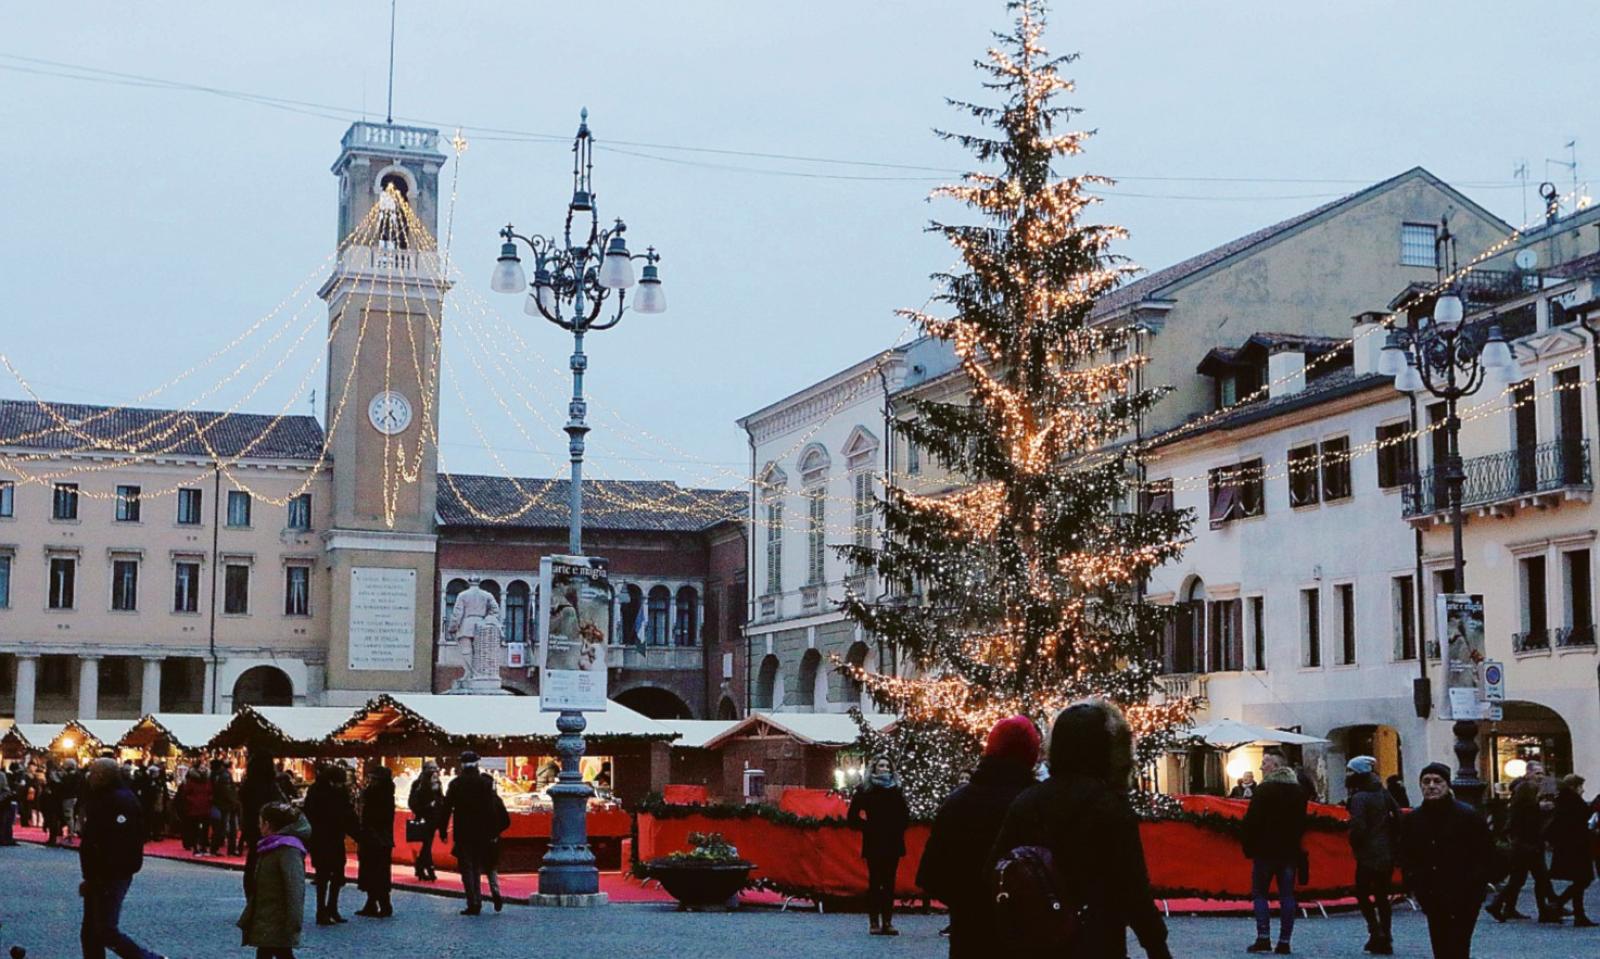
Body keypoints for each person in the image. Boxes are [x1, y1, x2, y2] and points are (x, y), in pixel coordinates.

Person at [988, 699, 1170, 959]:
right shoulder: (1110, 806)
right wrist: (1156, 946)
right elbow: (1133, 888)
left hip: (1036, 942)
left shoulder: (1027, 801)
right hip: (1096, 940)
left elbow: (994, 869)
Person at [917, 715, 1041, 958]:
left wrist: (967, 901)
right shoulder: (1038, 804)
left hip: (970, 935)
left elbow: (931, 876)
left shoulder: (958, 803)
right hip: (1027, 937)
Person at [1399, 762, 1494, 959]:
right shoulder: (1414, 818)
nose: (1431, 786)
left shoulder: (1467, 815)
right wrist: (1415, 882)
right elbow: (1406, 853)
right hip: (1432, 893)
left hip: (1465, 893)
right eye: (1426, 781)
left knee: (1459, 945)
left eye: (1437, 781)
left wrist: (1477, 883)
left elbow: (1485, 852)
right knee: (1440, 944)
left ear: (1447, 785)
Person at [78, 757, 166, 959]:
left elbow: (120, 842)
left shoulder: (119, 801)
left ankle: (149, 958)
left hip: (110, 874)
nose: (89, 777)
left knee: (104, 930)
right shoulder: (105, 797)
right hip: (100, 874)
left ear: (103, 776)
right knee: (91, 932)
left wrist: (102, 873)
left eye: (93, 772)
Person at [1241, 750, 1307, 954]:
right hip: (1289, 851)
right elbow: (1301, 823)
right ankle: (1285, 941)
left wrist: (1248, 845)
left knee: (1260, 893)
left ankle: (1263, 937)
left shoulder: (1264, 790)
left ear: (1276, 767)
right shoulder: (1298, 791)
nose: (1261, 768)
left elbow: (1252, 821)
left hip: (1265, 849)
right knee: (1287, 895)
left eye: (1265, 763)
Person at [847, 755, 911, 936]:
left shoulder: (896, 790)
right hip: (874, 841)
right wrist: (868, 828)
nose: (884, 769)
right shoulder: (865, 790)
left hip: (892, 841)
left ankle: (888, 921)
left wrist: (898, 828)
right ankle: (874, 921)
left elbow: (905, 815)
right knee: (875, 882)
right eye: (881, 766)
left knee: (889, 883)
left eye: (887, 766)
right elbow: (852, 817)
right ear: (874, 768)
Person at [238, 802, 310, 959]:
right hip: (267, 918)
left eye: (260, 822)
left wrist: (293, 921)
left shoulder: (287, 850)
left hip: (278, 919)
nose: (258, 826)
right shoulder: (269, 847)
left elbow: (295, 888)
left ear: (267, 824)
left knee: (278, 953)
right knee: (273, 953)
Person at [1487, 766, 1558, 922]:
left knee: (1521, 878)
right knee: (1537, 877)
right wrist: (1540, 808)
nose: (1540, 777)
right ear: (1529, 773)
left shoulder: (1531, 788)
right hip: (1527, 841)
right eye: (1537, 773)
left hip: (1526, 841)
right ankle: (1545, 910)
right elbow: (1521, 813)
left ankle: (1503, 906)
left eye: (1542, 773)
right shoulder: (1526, 788)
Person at [1344, 756, 1398, 954]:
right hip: (1386, 852)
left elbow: (1359, 827)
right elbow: (1398, 815)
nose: (1347, 774)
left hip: (1368, 854)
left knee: (1363, 893)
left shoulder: (1360, 797)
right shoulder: (1383, 793)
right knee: (1382, 896)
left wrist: (1355, 842)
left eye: (1350, 771)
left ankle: (1376, 932)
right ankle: (1386, 934)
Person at [439, 751, 498, 916]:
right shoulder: (484, 783)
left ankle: (472, 901)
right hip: (481, 832)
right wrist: (493, 831)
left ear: (462, 765)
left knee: (467, 868)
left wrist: (442, 829)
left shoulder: (456, 784)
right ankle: (477, 899)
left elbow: (446, 808)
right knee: (477, 866)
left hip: (463, 831)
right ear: (477, 764)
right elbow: (491, 809)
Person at [302, 764, 359, 925]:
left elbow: (347, 814)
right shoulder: (323, 792)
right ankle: (324, 910)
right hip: (324, 837)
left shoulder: (326, 791)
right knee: (324, 876)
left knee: (334, 875)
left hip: (329, 837)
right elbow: (345, 814)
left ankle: (330, 908)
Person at [1545, 774, 1595, 926]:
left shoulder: (1564, 800)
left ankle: (1578, 915)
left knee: (1580, 880)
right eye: (1580, 787)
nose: (1583, 790)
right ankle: (1558, 905)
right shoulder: (1572, 801)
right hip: (1575, 847)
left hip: (1571, 847)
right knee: (1583, 879)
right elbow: (1578, 820)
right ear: (1574, 787)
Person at [239, 750, 285, 897]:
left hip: (252, 826)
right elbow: (278, 804)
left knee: (253, 860)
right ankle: (263, 896)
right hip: (269, 827)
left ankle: (251, 896)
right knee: (267, 863)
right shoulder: (271, 785)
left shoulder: (248, 785)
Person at [355, 766, 396, 918]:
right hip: (379, 839)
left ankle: (384, 905)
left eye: (373, 779)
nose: (370, 781)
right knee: (374, 872)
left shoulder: (378, 796)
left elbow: (374, 818)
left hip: (376, 839)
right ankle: (371, 903)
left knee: (377, 872)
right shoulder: (382, 794)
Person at [406, 761, 445, 882]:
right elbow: (414, 802)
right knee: (427, 845)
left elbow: (440, 798)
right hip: (427, 818)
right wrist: (429, 806)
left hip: (431, 818)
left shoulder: (434, 783)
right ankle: (426, 869)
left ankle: (422, 868)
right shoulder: (420, 784)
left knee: (427, 845)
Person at [212, 760, 242, 856]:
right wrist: (235, 801)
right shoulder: (225, 775)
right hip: (228, 805)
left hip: (219, 804)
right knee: (230, 827)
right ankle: (231, 849)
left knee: (221, 827)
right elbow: (227, 790)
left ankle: (215, 847)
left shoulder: (214, 775)